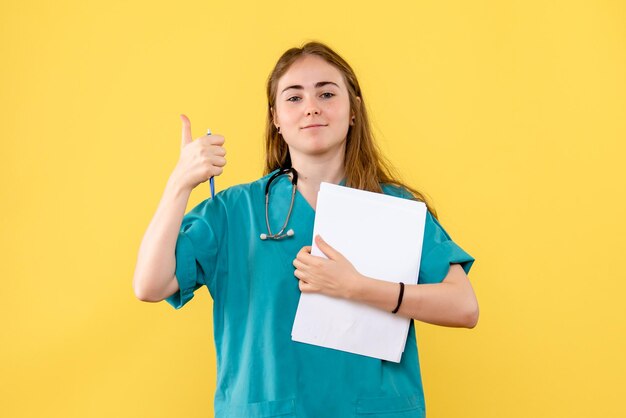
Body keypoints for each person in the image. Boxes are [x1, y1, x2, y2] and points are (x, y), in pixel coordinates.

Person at [133, 41, 478, 418]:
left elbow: (464, 306)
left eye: (327, 93)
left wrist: (355, 287)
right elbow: (149, 285)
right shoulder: (234, 211)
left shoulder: (395, 207)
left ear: (353, 111)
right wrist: (179, 183)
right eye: (294, 98)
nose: (311, 106)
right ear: (276, 118)